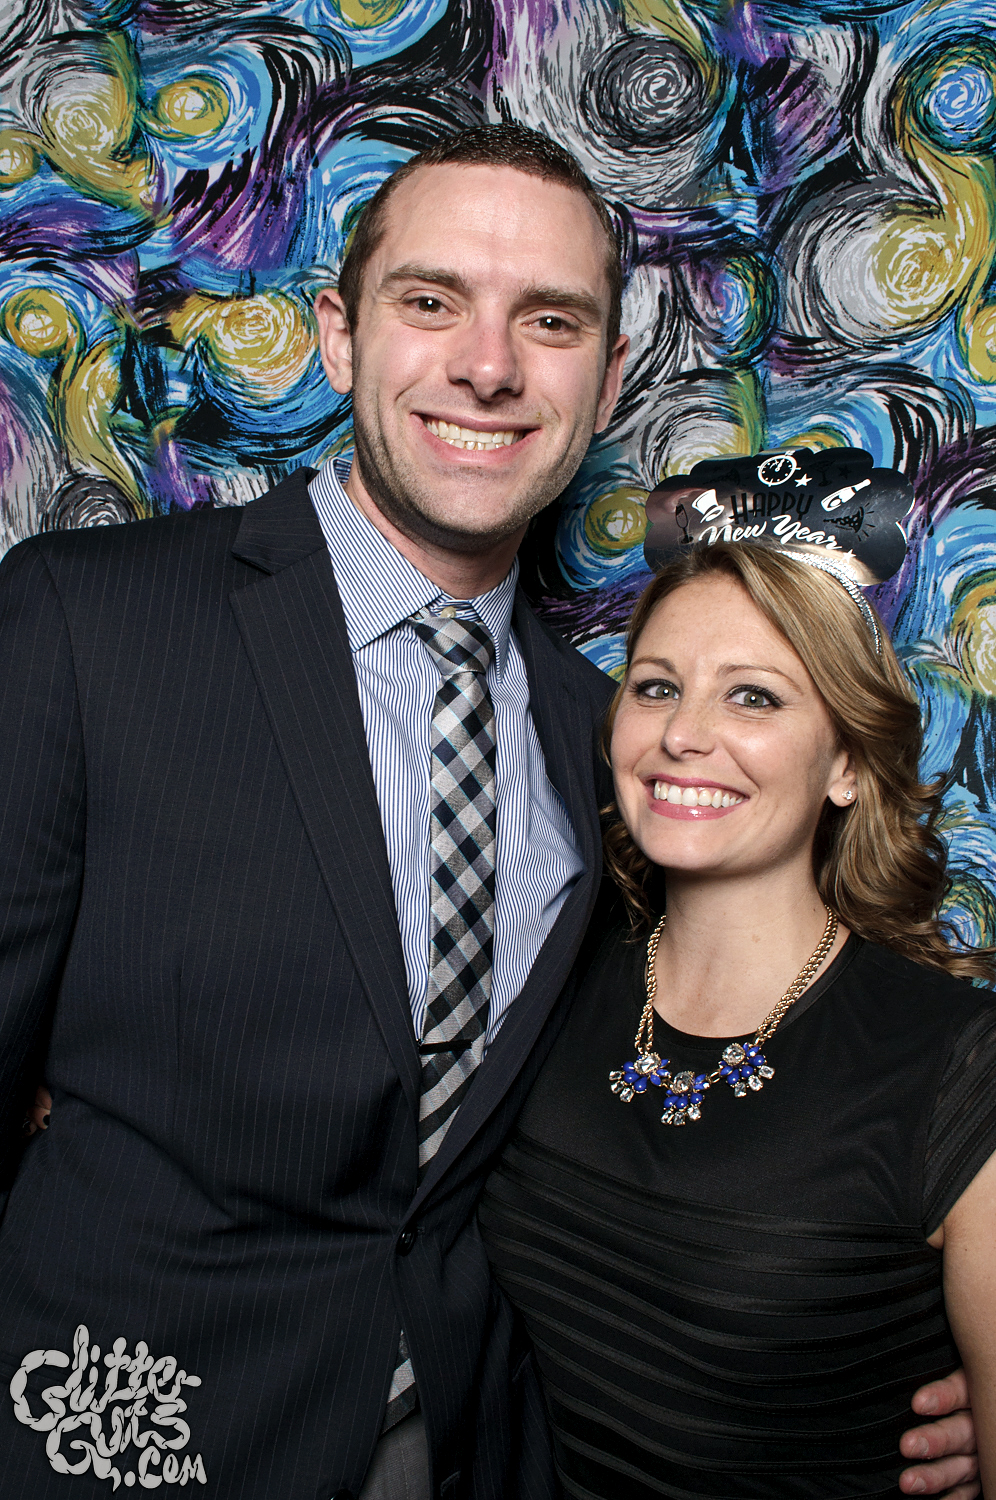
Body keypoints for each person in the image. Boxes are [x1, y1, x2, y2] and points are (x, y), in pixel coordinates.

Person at [0, 124, 975, 1499]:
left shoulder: (615, 741)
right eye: (432, 300)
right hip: (114, 1433)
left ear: (608, 377)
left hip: (471, 1449)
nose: (489, 366)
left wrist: (898, 1368)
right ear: (339, 335)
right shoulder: (87, 624)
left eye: (551, 320)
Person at [479, 539, 996, 1498]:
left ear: (847, 762)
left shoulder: (960, 1068)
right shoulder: (542, 969)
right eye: (656, 688)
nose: (684, 734)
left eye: (753, 696)